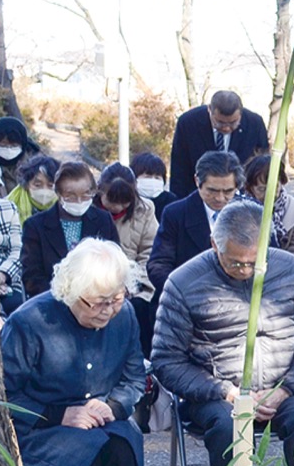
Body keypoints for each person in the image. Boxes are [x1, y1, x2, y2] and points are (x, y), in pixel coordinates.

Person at [151, 200, 294, 466]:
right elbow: (165, 360)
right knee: (228, 430)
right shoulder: (184, 282)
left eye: (255, 262)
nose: (246, 270)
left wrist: (286, 389)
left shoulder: (290, 269)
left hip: (281, 388)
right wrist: (225, 391)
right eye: (236, 262)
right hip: (215, 394)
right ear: (215, 245)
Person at [1, 239, 146, 466]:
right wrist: (59, 414)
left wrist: (112, 406)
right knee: (83, 451)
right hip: (41, 422)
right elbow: (6, 393)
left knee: (122, 445)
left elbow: (134, 375)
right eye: (98, 303)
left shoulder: (124, 315)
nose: (108, 310)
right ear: (70, 292)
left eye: (116, 298)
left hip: (103, 416)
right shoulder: (28, 322)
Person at [147, 151, 242, 302]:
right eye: (212, 190)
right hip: (184, 301)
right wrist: (183, 292)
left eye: (228, 191)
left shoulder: (250, 213)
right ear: (197, 181)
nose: (220, 198)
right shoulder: (176, 214)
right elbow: (158, 264)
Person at [21, 162, 119, 298]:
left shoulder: (103, 220)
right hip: (52, 300)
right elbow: (32, 275)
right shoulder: (35, 226)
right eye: (71, 196)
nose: (79, 201)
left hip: (97, 299)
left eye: (85, 195)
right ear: (58, 193)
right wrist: (62, 296)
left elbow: (115, 263)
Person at [96, 163, 158, 354]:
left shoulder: (145, 209)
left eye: (124, 202)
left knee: (138, 308)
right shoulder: (91, 211)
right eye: (112, 201)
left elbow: (150, 251)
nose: (118, 207)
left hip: (134, 283)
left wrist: (131, 283)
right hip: (96, 278)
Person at [168, 90, 268, 199]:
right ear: (209, 110)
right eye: (219, 122)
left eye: (233, 123)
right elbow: (179, 169)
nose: (226, 128)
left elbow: (262, 164)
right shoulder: (188, 123)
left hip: (242, 197)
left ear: (241, 113)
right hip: (198, 195)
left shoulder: (254, 124)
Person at [242, 153, 294, 263]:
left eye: (274, 187)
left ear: (282, 182)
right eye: (262, 189)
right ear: (250, 188)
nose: (269, 194)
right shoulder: (240, 209)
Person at [0, 163, 24, 315]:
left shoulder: (8, 209)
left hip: (6, 277)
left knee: (14, 304)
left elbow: (18, 250)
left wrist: (1, 276)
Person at [7, 154, 59, 226]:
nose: (44, 190)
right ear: (26, 184)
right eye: (37, 185)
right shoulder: (8, 207)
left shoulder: (64, 208)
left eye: (50, 185)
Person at [0, 117, 42, 193]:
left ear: (23, 145)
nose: (8, 149)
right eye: (3, 145)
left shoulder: (36, 164)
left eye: (14, 145)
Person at [131, 152, 178, 222]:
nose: (152, 181)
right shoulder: (128, 200)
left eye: (157, 177)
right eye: (147, 177)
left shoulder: (171, 202)